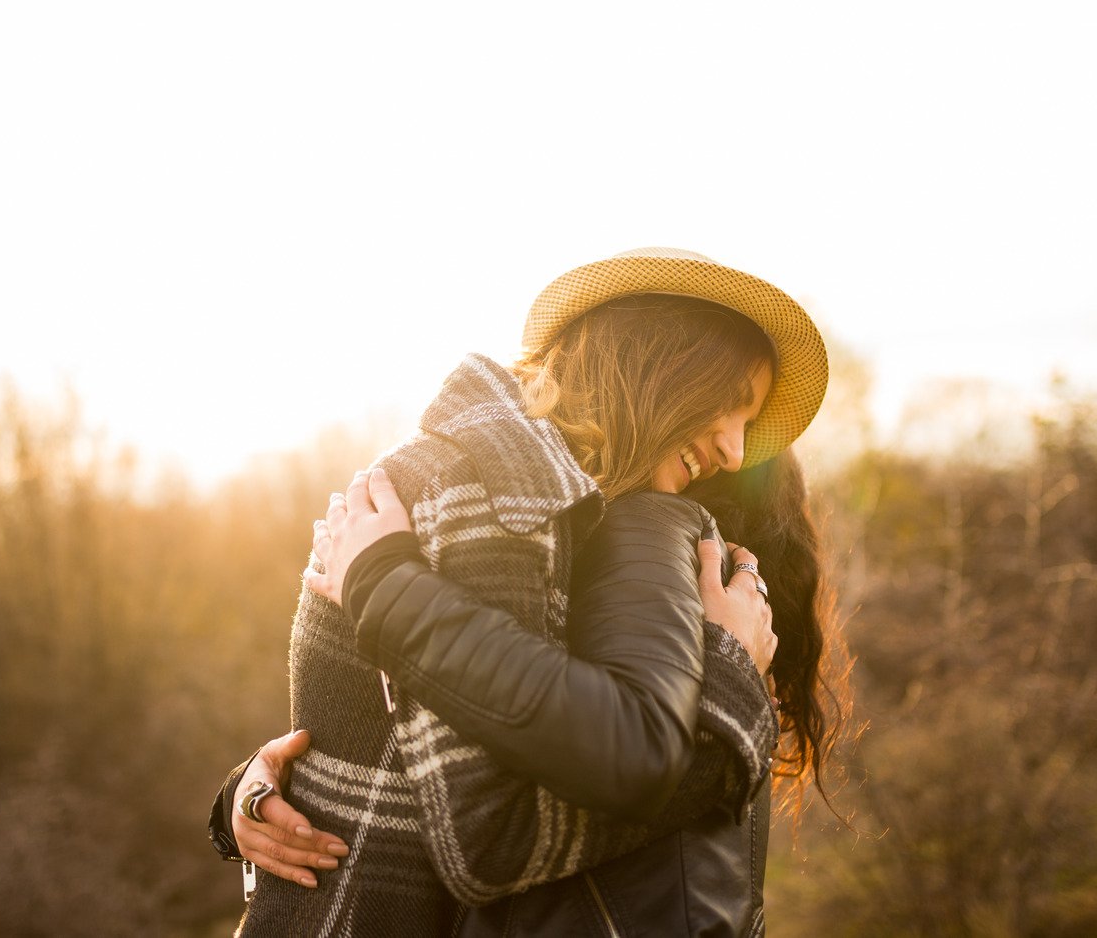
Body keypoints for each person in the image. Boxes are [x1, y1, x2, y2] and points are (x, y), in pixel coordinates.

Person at [207, 249, 834, 933]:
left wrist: (245, 792)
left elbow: (463, 729)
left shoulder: (552, 496)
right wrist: (728, 712)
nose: (737, 452)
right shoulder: (499, 484)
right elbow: (495, 834)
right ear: (664, 362)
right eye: (734, 406)